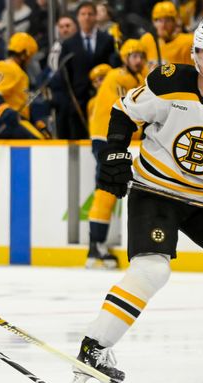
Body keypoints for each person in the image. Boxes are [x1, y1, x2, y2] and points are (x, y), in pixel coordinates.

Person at [71, 16, 203, 383]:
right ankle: (91, 356)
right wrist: (113, 154)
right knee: (151, 270)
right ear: (194, 53)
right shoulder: (166, 83)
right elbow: (123, 111)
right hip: (156, 190)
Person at [85, 40, 147, 269]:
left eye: (141, 55)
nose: (138, 60)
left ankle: (96, 246)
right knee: (106, 190)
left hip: (112, 140)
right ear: (124, 57)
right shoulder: (119, 77)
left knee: (108, 189)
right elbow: (130, 111)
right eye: (134, 56)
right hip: (106, 139)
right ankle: (95, 246)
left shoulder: (134, 79)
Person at [56, 1, 117, 139]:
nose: (87, 17)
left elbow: (113, 67)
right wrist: (70, 101)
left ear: (96, 16)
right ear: (78, 17)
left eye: (90, 14)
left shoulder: (107, 40)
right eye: (83, 14)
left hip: (102, 97)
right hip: (78, 102)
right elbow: (65, 73)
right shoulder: (69, 44)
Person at [0, 32, 47, 140]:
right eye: (30, 57)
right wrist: (3, 109)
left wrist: (36, 122)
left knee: (43, 139)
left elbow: (22, 103)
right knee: (39, 142)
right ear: (24, 54)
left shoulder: (18, 72)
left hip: (14, 120)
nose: (30, 61)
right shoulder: (6, 68)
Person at [140, 2, 194, 70]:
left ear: (175, 22)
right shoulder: (146, 40)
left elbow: (193, 73)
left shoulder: (187, 42)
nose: (163, 25)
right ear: (153, 23)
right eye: (159, 21)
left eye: (168, 20)